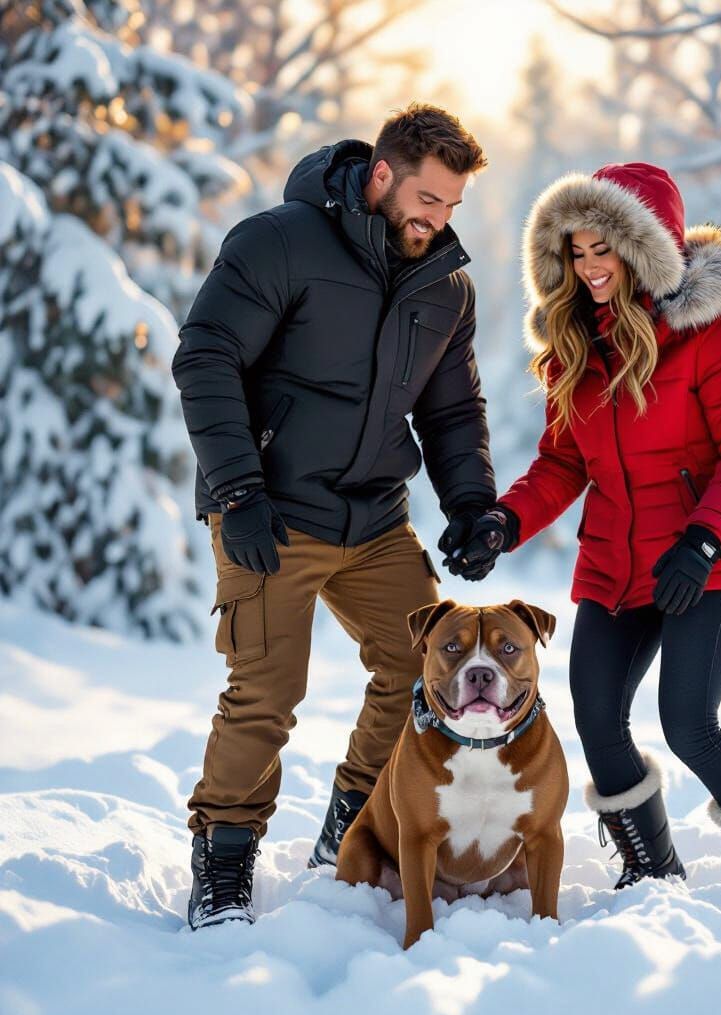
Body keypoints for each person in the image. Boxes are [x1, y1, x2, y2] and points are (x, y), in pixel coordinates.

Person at [447, 163, 721, 916]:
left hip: (707, 563)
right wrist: (506, 521)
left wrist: (705, 542)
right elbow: (562, 463)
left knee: (689, 723)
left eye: (605, 251)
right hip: (619, 564)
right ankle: (652, 874)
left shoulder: (712, 337)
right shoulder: (575, 348)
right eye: (577, 252)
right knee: (595, 718)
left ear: (645, 251)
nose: (589, 268)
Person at [171, 104, 499, 929]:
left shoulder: (446, 284)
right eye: (428, 199)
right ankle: (224, 863)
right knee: (266, 692)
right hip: (271, 509)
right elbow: (204, 355)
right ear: (382, 175)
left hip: (375, 519)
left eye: (452, 207)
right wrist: (239, 491)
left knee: (424, 667)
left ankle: (350, 826)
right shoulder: (280, 242)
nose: (437, 220)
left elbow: (454, 412)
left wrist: (472, 507)